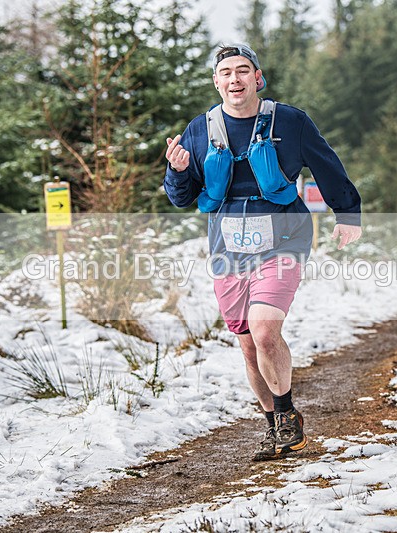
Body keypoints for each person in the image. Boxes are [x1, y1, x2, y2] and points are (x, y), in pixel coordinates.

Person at [163, 43, 362, 461]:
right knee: (250, 344)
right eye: (226, 73)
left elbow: (326, 164)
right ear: (217, 82)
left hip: (284, 238)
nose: (234, 79)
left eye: (242, 71)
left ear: (258, 78)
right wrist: (177, 170)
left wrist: (348, 212)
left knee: (265, 327)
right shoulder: (201, 129)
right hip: (227, 246)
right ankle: (275, 426)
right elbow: (183, 198)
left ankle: (287, 416)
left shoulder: (289, 121)